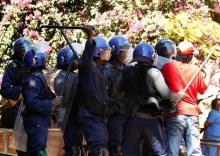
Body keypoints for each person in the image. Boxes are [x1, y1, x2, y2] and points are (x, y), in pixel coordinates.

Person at [114, 42, 181, 156]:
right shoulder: (153, 72)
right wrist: (178, 95)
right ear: (152, 57)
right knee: (160, 153)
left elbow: (116, 94)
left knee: (130, 153)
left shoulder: (126, 72)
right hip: (151, 121)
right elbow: (166, 94)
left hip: (132, 120)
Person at [155, 39, 218, 156]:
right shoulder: (196, 69)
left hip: (174, 113)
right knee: (194, 151)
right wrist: (208, 75)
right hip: (192, 113)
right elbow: (203, 89)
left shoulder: (168, 67)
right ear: (189, 56)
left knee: (172, 150)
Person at [75, 26, 111, 156]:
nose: (108, 53)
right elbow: (84, 61)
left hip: (100, 115)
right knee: (98, 150)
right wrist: (90, 38)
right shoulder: (87, 68)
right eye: (106, 50)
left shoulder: (102, 70)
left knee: (103, 149)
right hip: (89, 115)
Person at [22, 48, 61, 156]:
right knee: (38, 151)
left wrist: (55, 99)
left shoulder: (39, 78)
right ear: (36, 61)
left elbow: (47, 95)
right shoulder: (33, 81)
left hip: (40, 121)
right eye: (43, 59)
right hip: (35, 121)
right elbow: (32, 102)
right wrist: (52, 103)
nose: (45, 60)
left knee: (39, 149)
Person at [54, 43, 84, 156]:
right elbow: (67, 99)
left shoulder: (70, 76)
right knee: (72, 149)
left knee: (77, 146)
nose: (77, 61)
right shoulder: (62, 77)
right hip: (69, 117)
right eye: (75, 59)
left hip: (75, 117)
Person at [107, 36, 132, 156]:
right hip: (114, 115)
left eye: (127, 50)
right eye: (123, 50)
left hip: (126, 113)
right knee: (115, 147)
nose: (126, 53)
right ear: (115, 51)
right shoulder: (107, 70)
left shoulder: (126, 69)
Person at [0, 37, 32, 128]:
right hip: (17, 109)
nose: (25, 54)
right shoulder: (11, 67)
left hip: (33, 107)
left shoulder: (33, 65)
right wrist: (21, 89)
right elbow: (4, 90)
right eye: (23, 51)